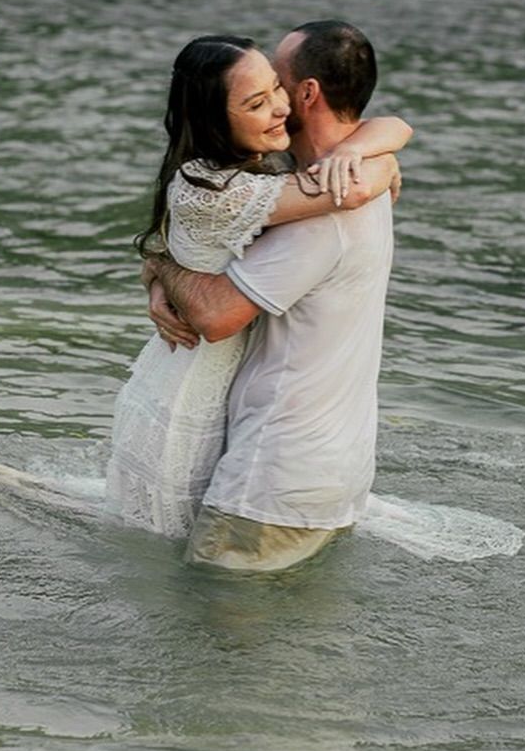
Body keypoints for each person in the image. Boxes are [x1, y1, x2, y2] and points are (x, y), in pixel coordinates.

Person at [103, 32, 410, 539]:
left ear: (306, 92)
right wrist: (380, 160)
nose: (278, 106)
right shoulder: (234, 188)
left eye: (277, 88)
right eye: (257, 100)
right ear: (218, 118)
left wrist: (159, 264)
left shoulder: (273, 173)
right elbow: (356, 184)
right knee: (152, 553)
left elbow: (394, 127)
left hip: (246, 418)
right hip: (192, 390)